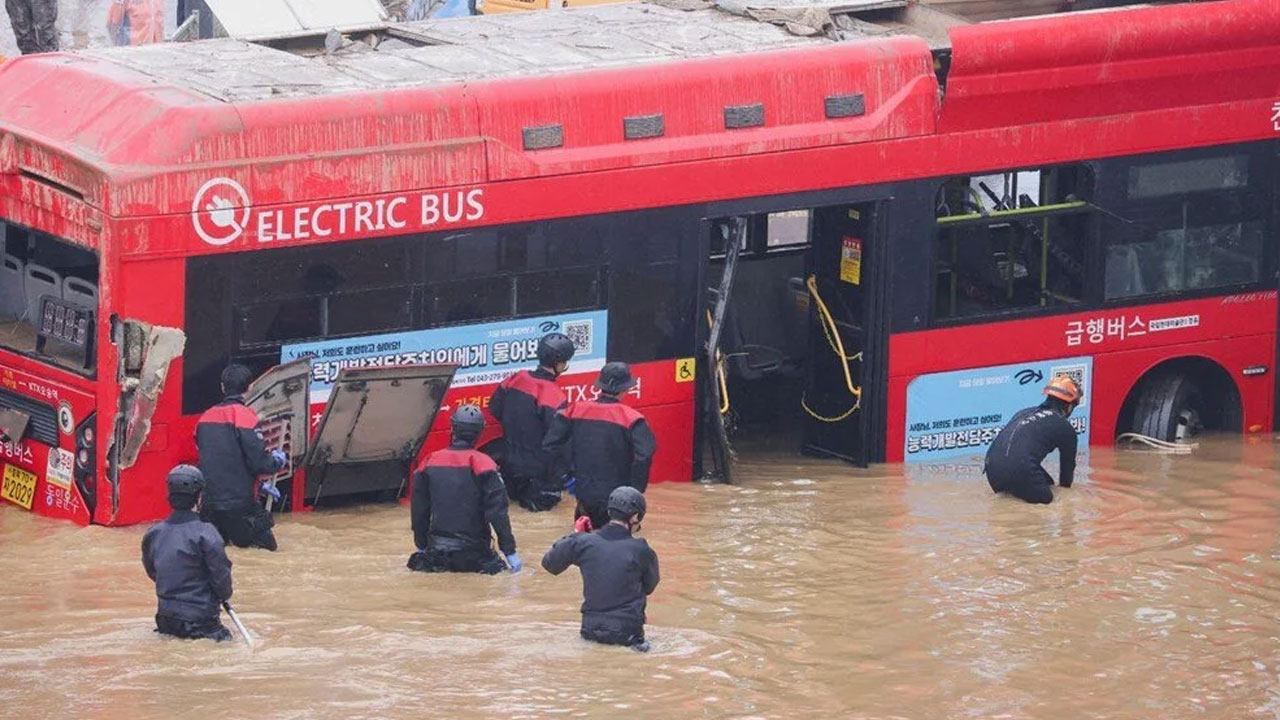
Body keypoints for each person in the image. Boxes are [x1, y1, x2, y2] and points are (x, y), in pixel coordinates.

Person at [541, 486, 659, 652]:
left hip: (590, 629)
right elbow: (649, 586)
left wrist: (576, 535)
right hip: (627, 633)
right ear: (635, 517)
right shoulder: (641, 550)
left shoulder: (583, 543)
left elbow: (549, 564)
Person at [407, 404, 520, 575]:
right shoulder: (485, 464)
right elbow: (498, 513)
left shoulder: (429, 462)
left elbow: (419, 510)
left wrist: (421, 545)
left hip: (438, 554)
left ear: (452, 429)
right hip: (476, 555)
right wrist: (509, 551)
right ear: (480, 432)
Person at [543, 362, 656, 531]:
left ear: (600, 386)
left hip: (584, 498)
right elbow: (644, 457)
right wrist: (634, 492)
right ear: (626, 389)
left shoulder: (574, 410)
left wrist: (565, 479)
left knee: (581, 544)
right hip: (619, 503)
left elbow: (550, 446)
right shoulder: (633, 419)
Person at [196, 364, 287, 551]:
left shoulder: (204, 418)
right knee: (268, 556)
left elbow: (216, 461)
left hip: (209, 506)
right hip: (241, 506)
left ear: (222, 387)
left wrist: (260, 486)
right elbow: (259, 463)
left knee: (217, 557)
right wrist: (277, 461)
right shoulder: (245, 417)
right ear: (250, 387)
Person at [141, 465, 234, 642]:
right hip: (200, 622)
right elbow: (222, 579)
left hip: (166, 620)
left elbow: (153, 572)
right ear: (199, 497)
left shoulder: (153, 533)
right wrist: (221, 595)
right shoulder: (206, 533)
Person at [489, 332, 576, 512]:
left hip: (510, 470)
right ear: (559, 363)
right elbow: (559, 441)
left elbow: (494, 408)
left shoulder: (515, 379)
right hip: (539, 478)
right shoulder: (552, 395)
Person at [984, 375, 1082, 505]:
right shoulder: (1065, 427)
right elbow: (1066, 475)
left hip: (992, 469)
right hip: (1020, 468)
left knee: (1047, 484)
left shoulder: (1023, 412)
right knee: (1049, 502)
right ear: (1069, 406)